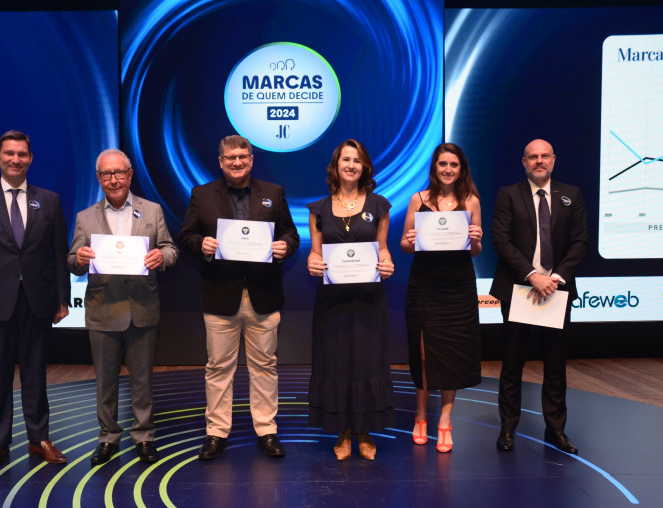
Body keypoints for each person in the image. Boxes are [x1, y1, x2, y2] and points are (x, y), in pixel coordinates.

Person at [0, 130, 70, 474]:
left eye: (22, 154)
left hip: (37, 301)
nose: (16, 159)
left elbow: (60, 255)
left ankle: (39, 438)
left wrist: (62, 299)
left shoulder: (48, 200)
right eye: (9, 154)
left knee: (36, 374)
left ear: (30, 159)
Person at [178, 134, 299, 460]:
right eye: (230, 157)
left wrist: (285, 246)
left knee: (265, 367)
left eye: (243, 156)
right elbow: (185, 235)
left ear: (251, 159)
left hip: (264, 295)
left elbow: (291, 232)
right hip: (220, 297)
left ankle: (266, 430)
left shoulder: (273, 193)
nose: (237, 162)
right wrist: (200, 245)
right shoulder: (201, 195)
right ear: (221, 161)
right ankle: (216, 432)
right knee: (218, 368)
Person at [68, 149, 178, 465]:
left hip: (142, 308)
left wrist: (162, 258)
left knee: (143, 380)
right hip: (103, 310)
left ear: (130, 175)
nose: (113, 180)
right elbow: (72, 261)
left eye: (119, 173)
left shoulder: (152, 210)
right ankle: (108, 438)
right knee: (105, 381)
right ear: (99, 178)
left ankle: (144, 436)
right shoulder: (85, 217)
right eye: (106, 174)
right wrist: (80, 259)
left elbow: (170, 249)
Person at [490, 139, 587, 454]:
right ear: (524, 162)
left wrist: (554, 279)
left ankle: (556, 430)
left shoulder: (571, 194)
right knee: (512, 364)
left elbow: (580, 243)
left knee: (556, 366)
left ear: (554, 160)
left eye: (544, 156)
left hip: (556, 292)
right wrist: (532, 276)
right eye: (533, 157)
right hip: (519, 289)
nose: (539, 161)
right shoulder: (508, 195)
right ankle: (507, 429)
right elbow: (502, 241)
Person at [306, 139, 396, 461]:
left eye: (357, 160)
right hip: (332, 303)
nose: (351, 165)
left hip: (369, 301)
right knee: (337, 362)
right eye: (346, 159)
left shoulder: (379, 205)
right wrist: (312, 263)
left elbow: (382, 248)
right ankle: (343, 431)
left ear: (365, 167)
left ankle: (364, 431)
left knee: (366, 362)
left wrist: (387, 263)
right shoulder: (318, 208)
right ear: (336, 165)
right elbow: (316, 253)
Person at [400, 143, 483, 453]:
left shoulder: (471, 201)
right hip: (425, 285)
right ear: (434, 167)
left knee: (453, 354)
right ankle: (421, 416)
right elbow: (406, 246)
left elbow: (475, 250)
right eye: (443, 164)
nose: (448, 169)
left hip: (458, 286)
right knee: (422, 354)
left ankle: (445, 420)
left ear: (462, 169)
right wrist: (408, 240)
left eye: (454, 165)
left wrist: (476, 241)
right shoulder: (417, 200)